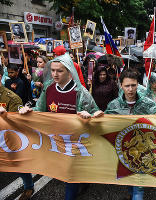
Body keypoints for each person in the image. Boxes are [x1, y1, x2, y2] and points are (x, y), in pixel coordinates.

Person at [18, 53, 104, 200]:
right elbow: (40, 110)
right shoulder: (48, 89)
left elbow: (96, 111)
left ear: (69, 71)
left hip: (75, 142)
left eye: (59, 70)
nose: (55, 74)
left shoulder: (80, 92)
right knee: (61, 172)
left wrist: (92, 114)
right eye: (52, 70)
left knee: (70, 176)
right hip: (55, 141)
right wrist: (28, 111)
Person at [105, 69, 156, 200]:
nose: (130, 89)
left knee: (138, 188)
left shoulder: (148, 104)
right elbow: (104, 124)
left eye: (133, 85)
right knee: (128, 180)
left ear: (138, 85)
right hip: (123, 152)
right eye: (127, 86)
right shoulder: (113, 105)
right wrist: (95, 116)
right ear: (121, 85)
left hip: (143, 152)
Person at [0, 65, 35, 200]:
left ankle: (28, 187)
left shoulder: (12, 98)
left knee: (17, 164)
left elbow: (16, 125)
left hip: (7, 139)